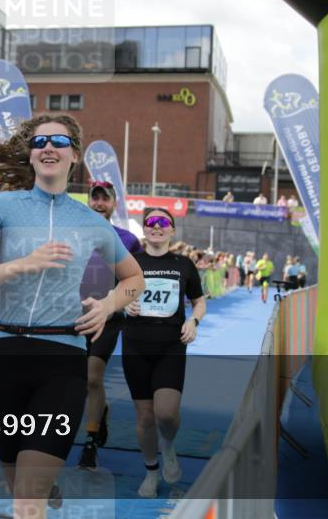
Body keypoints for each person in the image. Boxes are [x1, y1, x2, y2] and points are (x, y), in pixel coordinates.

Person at [0, 114, 145, 518]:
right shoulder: (4, 206)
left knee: (26, 502)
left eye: (59, 141)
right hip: (6, 357)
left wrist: (108, 305)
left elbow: (134, 278)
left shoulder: (92, 222)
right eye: (40, 142)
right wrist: (20, 265)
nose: (48, 147)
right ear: (30, 154)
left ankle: (39, 488)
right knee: (17, 488)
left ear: (75, 155)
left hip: (62, 359)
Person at [123, 207, 205, 498]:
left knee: (166, 415)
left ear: (172, 229)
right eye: (150, 222)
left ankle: (167, 446)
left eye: (162, 222)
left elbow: (199, 301)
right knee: (145, 417)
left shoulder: (183, 264)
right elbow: (115, 295)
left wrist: (193, 321)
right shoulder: (130, 262)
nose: (156, 226)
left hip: (171, 345)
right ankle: (151, 471)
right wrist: (125, 304)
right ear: (144, 228)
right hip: (135, 345)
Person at [77, 179, 142, 470]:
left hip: (108, 318)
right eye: (95, 198)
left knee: (93, 377)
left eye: (105, 199)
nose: (99, 204)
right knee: (73, 380)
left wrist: (127, 301)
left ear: (114, 203)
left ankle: (90, 442)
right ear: (88, 201)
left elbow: (136, 278)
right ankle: (99, 411)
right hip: (71, 316)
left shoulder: (128, 240)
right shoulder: (72, 234)